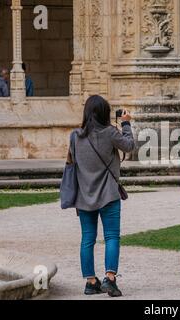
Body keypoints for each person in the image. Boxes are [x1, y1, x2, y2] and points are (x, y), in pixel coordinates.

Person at [68, 95, 135, 297]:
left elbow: (73, 162)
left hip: (84, 194)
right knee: (112, 236)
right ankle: (110, 278)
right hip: (108, 193)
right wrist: (126, 124)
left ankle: (90, 281)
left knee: (87, 238)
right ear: (105, 113)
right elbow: (129, 146)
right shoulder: (110, 133)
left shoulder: (74, 136)